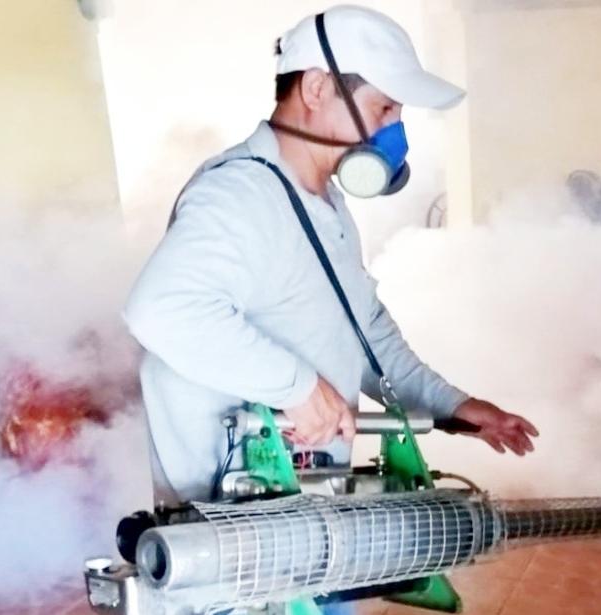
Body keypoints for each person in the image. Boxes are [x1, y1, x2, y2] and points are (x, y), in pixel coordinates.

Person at [124, 5, 538, 507]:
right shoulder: (241, 193)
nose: (394, 132)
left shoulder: (325, 203)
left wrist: (453, 406)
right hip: (226, 519)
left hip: (297, 505)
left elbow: (364, 335)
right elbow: (162, 309)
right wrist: (298, 388)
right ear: (317, 89)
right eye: (385, 109)